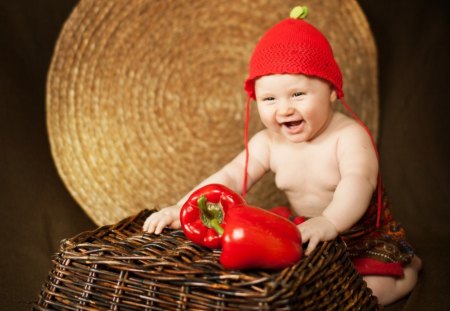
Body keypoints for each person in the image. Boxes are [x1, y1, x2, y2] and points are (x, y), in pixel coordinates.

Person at [143, 6, 421, 305]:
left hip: (357, 236)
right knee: (272, 271)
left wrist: (329, 221)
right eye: (269, 99)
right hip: (303, 230)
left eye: (298, 94)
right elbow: (229, 178)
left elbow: (359, 182)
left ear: (331, 90)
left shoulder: (349, 136)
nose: (284, 109)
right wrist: (182, 206)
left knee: (369, 288)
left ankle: (408, 271)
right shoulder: (268, 143)